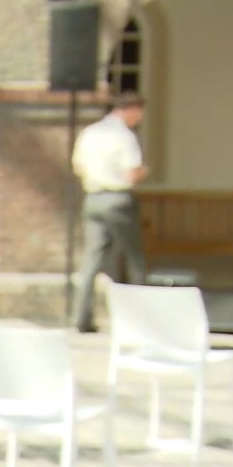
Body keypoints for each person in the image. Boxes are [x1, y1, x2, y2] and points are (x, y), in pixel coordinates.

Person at [71, 92, 148, 333]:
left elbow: (78, 166)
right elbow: (131, 173)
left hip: (93, 197)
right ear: (132, 109)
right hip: (118, 199)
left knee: (91, 259)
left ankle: (81, 316)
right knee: (134, 258)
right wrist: (144, 172)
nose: (140, 119)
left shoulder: (90, 133)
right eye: (140, 113)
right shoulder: (124, 136)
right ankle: (140, 319)